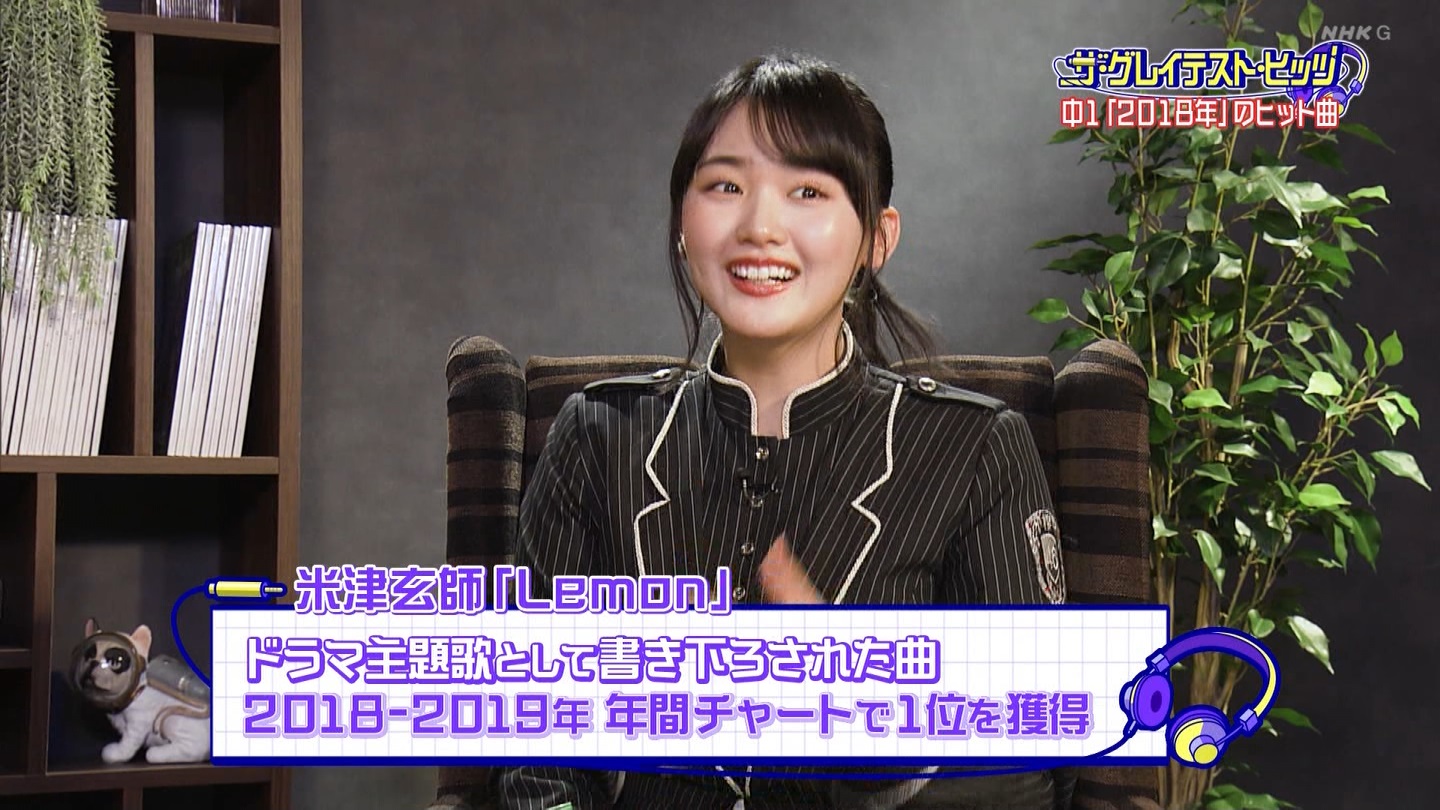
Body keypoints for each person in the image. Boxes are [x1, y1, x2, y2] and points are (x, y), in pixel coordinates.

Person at [498, 52, 1072, 810]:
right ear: (682, 223)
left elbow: (1025, 778)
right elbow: (533, 747)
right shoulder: (597, 436)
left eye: (808, 191)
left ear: (876, 238)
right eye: (725, 186)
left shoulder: (972, 450)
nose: (760, 227)